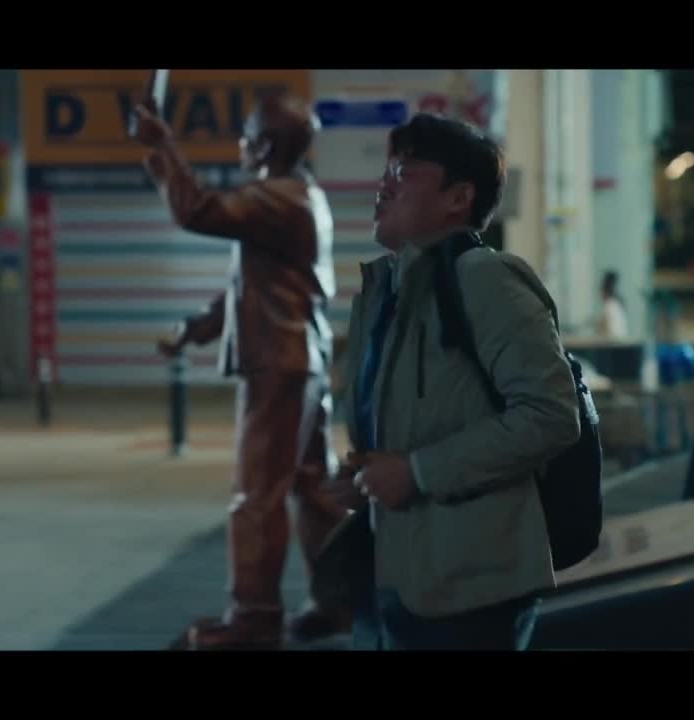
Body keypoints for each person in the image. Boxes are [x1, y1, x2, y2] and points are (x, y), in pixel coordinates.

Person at [330, 113, 581, 650]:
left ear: (458, 197)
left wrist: (417, 473)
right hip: (395, 573)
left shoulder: (485, 279)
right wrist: (367, 476)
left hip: (468, 588)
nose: (384, 183)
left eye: (405, 170)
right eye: (387, 169)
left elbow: (551, 414)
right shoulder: (387, 290)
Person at [131, 93, 349, 650]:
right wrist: (195, 329)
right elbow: (255, 288)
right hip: (303, 358)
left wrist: (163, 147)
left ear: (266, 147)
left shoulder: (277, 196)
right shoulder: (302, 196)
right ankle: (340, 602)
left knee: (256, 496)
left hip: (278, 362)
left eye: (247, 137)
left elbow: (197, 210)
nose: (241, 146)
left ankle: (253, 620)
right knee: (312, 486)